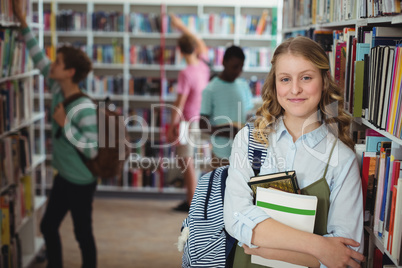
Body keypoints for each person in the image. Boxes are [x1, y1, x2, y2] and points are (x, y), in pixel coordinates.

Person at [223, 36, 365, 267]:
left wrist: (266, 247)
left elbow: (344, 253)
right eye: (285, 79)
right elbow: (236, 218)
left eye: (306, 77)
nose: (295, 89)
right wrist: (319, 247)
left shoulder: (342, 159)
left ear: (324, 80)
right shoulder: (250, 141)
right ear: (275, 83)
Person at [13, 1, 99, 267]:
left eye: (58, 62)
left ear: (70, 72)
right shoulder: (57, 86)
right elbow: (38, 57)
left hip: (81, 180)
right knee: (49, 226)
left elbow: (92, 149)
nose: (52, 64)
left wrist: (65, 125)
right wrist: (22, 21)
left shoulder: (84, 107)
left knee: (82, 232)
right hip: (65, 176)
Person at [166, 14, 210, 212]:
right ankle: (191, 199)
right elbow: (200, 43)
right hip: (201, 120)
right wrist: (181, 26)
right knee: (192, 161)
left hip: (186, 123)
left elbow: (179, 102)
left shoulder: (186, 73)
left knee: (187, 162)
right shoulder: (203, 66)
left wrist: (172, 126)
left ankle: (192, 203)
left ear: (180, 51)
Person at [199, 45, 254, 169]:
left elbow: (249, 114)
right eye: (235, 67)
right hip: (221, 156)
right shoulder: (210, 89)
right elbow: (202, 125)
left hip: (243, 154)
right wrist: (226, 131)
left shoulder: (243, 85)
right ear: (224, 62)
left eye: (241, 67)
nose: (238, 71)